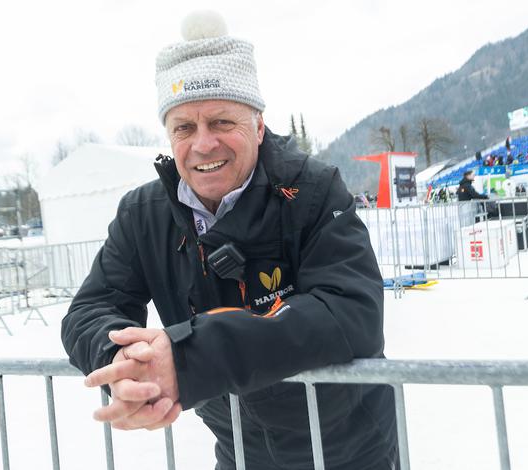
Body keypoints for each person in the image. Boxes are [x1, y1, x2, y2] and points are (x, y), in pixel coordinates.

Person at [62, 11, 398, 470]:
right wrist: (127, 364)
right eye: (184, 127)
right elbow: (90, 309)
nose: (203, 144)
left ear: (258, 126)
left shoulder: (313, 191)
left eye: (221, 121)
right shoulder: (143, 215)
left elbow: (350, 314)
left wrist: (188, 357)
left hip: (347, 450)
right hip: (239, 450)